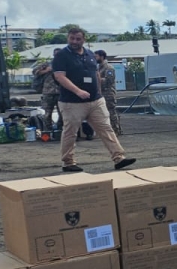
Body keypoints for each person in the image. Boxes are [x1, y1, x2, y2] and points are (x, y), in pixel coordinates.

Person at [51, 27, 135, 172]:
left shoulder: (90, 54)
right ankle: (68, 162)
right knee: (70, 132)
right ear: (68, 38)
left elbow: (95, 73)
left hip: (95, 101)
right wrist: (78, 91)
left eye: (78, 39)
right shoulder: (61, 56)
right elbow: (60, 77)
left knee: (106, 128)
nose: (75, 42)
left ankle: (119, 158)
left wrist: (99, 93)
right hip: (72, 102)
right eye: (72, 38)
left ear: (84, 39)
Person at [31, 48, 62, 134]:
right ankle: (48, 131)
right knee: (47, 113)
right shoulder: (47, 64)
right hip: (48, 92)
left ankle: (60, 130)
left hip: (61, 92)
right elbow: (35, 71)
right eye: (55, 54)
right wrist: (46, 70)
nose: (57, 56)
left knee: (62, 113)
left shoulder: (65, 64)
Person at [95, 50, 121, 135]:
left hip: (108, 93)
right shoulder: (98, 68)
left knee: (111, 112)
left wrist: (97, 79)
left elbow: (108, 81)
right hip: (101, 93)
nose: (95, 58)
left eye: (96, 56)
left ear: (102, 56)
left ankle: (115, 130)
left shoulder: (109, 68)